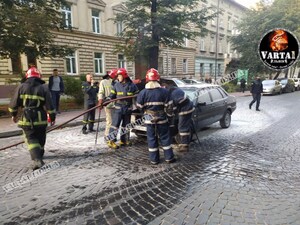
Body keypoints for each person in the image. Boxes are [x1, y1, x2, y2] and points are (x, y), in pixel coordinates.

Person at [8, 66, 56, 170]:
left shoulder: (21, 87)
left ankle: (37, 159)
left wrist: (13, 115)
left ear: (27, 76)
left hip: (27, 117)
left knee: (30, 138)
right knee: (41, 136)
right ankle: (40, 153)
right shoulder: (44, 87)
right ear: (39, 77)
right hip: (41, 117)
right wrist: (52, 117)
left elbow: (14, 103)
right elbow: (50, 105)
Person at [136, 68, 176, 165]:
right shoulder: (164, 92)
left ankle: (154, 160)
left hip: (149, 120)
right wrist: (170, 117)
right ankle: (169, 158)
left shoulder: (143, 92)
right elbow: (169, 107)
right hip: (162, 119)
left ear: (147, 79)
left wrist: (145, 112)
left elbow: (139, 107)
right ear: (158, 79)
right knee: (165, 138)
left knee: (151, 139)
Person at [105, 68, 139, 149]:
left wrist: (138, 105)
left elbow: (137, 96)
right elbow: (111, 95)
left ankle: (124, 140)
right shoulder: (116, 85)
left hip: (128, 108)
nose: (118, 77)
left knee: (126, 125)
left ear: (124, 76)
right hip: (118, 108)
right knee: (115, 125)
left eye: (119, 76)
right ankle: (111, 141)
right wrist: (106, 100)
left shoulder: (132, 85)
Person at [167, 86, 195, 152]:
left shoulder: (172, 95)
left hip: (185, 109)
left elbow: (172, 109)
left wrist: (169, 116)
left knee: (182, 127)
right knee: (180, 126)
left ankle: (184, 146)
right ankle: (182, 143)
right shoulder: (174, 90)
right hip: (185, 107)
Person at [98, 69, 118, 137]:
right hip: (108, 105)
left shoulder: (116, 82)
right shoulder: (103, 82)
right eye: (116, 76)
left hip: (116, 105)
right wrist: (100, 102)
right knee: (110, 121)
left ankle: (113, 136)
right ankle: (107, 136)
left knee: (115, 122)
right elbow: (100, 93)